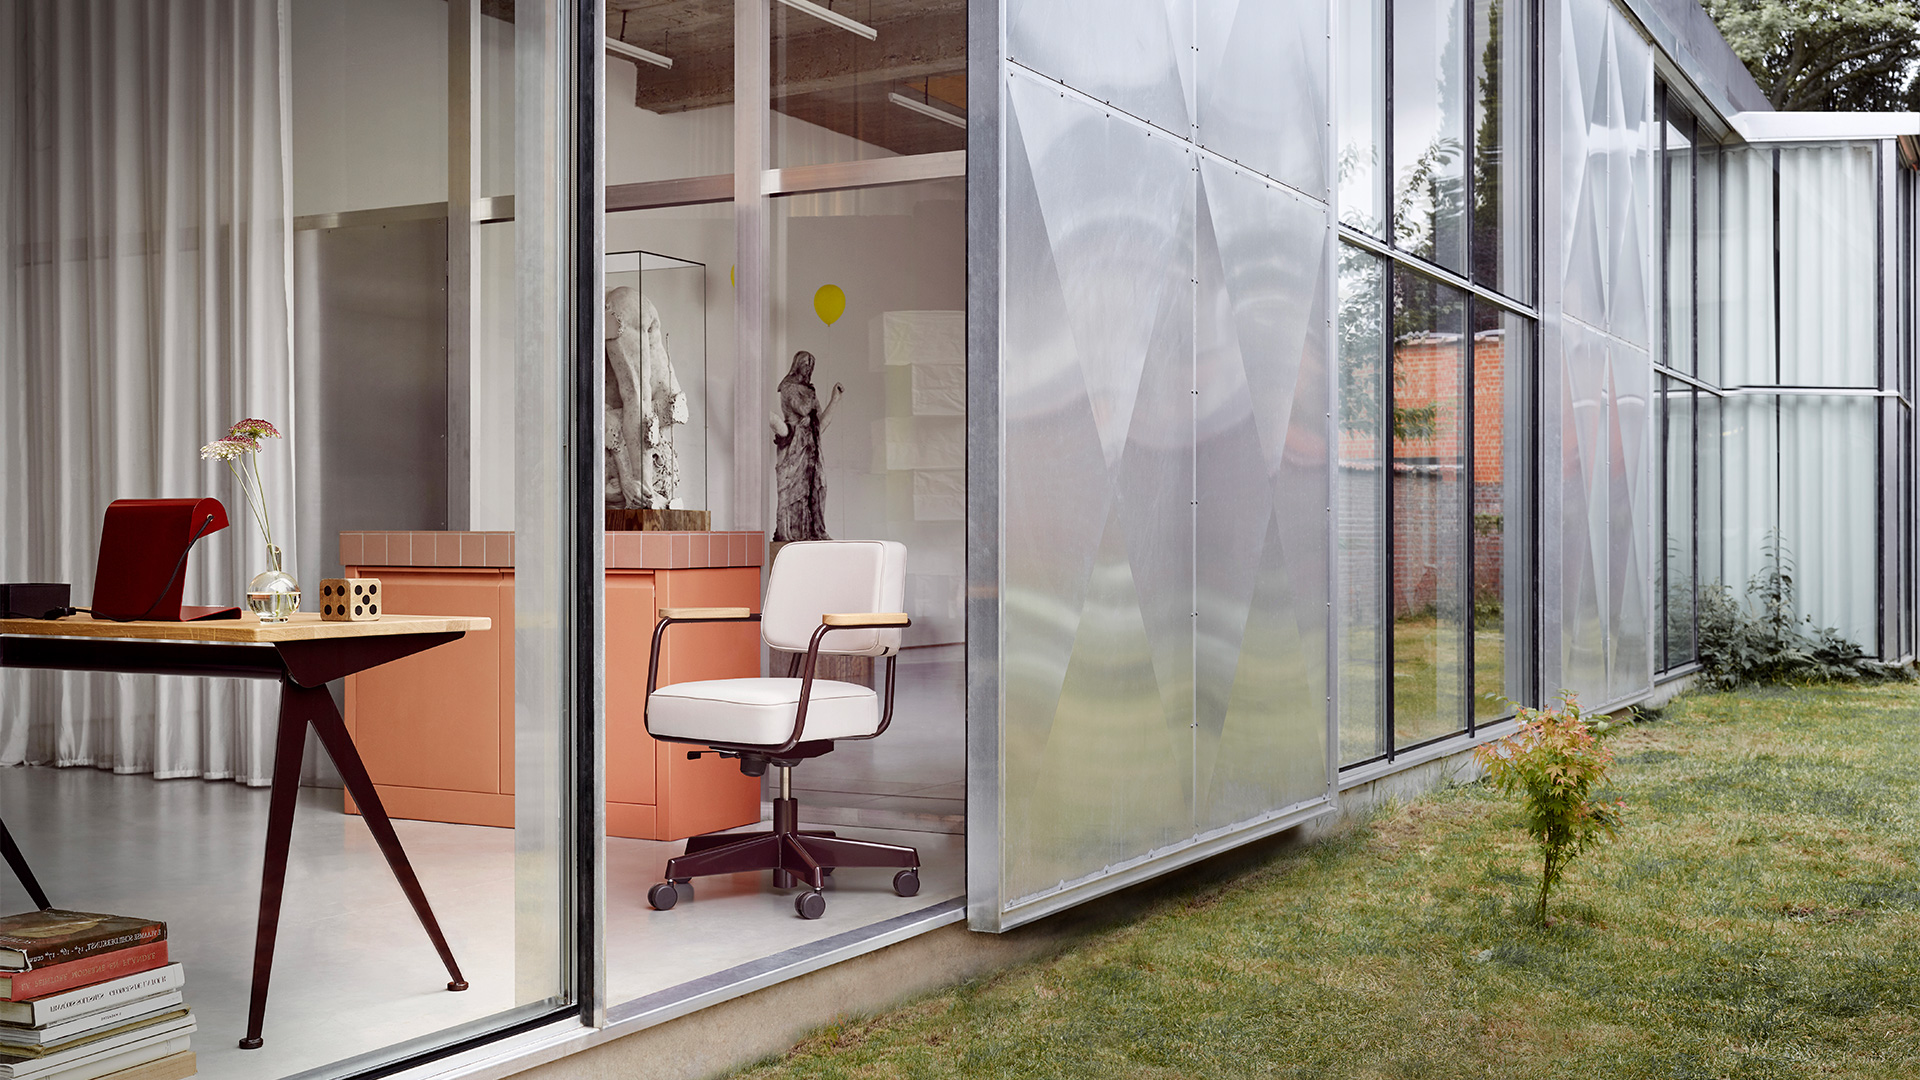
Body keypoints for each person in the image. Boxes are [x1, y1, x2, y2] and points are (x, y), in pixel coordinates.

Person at [770, 350, 842, 541]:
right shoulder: (788, 387)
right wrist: (812, 397)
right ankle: (789, 534)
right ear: (796, 365)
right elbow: (802, 409)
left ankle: (815, 531)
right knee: (792, 491)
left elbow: (821, 423)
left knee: (819, 487)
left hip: (812, 447)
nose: (808, 368)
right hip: (794, 446)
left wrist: (835, 399)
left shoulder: (810, 392)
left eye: (811, 365)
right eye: (805, 364)